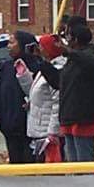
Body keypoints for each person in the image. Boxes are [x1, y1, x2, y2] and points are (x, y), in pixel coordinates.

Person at [56, 25, 94, 162]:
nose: (66, 39)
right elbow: (57, 82)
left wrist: (67, 50)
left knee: (84, 160)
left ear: (76, 39)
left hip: (83, 117)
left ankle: (88, 183)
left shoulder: (90, 53)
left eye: (68, 36)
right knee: (72, 162)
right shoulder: (72, 60)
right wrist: (42, 62)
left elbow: (90, 61)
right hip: (69, 115)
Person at [0, 30, 38, 163]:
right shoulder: (7, 66)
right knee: (15, 161)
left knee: (29, 163)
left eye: (11, 42)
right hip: (9, 123)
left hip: (29, 126)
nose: (8, 46)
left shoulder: (36, 66)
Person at [21, 34, 65, 162]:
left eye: (41, 46)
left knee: (50, 168)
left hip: (47, 130)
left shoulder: (56, 69)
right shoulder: (45, 67)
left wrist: (53, 133)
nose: (38, 50)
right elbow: (39, 91)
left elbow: (57, 102)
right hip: (40, 126)